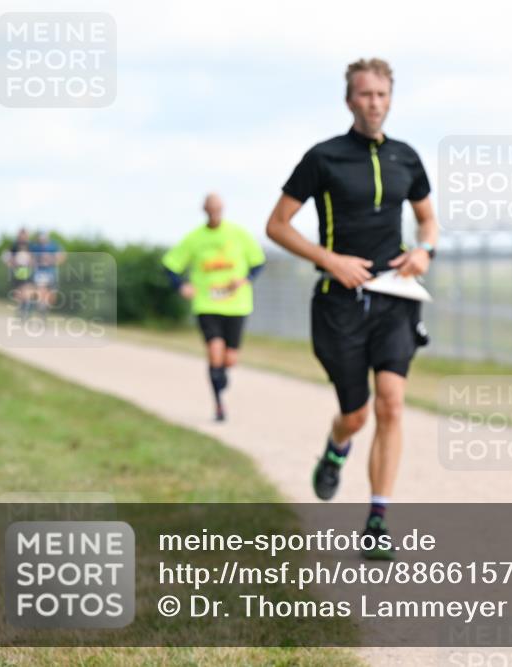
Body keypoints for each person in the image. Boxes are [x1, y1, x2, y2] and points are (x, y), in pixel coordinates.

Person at [266, 58, 437, 560]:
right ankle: (337, 447)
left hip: (394, 299)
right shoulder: (324, 157)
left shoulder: (407, 157)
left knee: (390, 401)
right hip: (338, 303)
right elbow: (277, 225)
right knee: (356, 414)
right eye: (365, 95)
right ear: (349, 101)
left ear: (390, 99)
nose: (374, 103)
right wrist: (330, 261)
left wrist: (424, 249)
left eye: (382, 95)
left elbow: (428, 220)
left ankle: (378, 518)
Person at [163, 194, 266, 421]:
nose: (214, 213)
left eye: (217, 209)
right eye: (210, 209)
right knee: (214, 350)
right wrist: (181, 286)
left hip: (236, 305)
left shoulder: (238, 234)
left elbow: (258, 262)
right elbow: (170, 265)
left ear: (223, 209)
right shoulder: (194, 238)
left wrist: (245, 279)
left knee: (229, 359)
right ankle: (219, 404)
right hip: (207, 304)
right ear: (204, 210)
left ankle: (220, 378)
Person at [30, 230, 66, 315]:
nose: (42, 240)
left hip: (51, 272)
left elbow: (62, 256)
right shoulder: (35, 247)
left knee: (52, 295)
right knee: (41, 289)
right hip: (40, 272)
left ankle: (44, 306)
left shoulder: (53, 246)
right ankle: (40, 305)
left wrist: (52, 260)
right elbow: (30, 257)